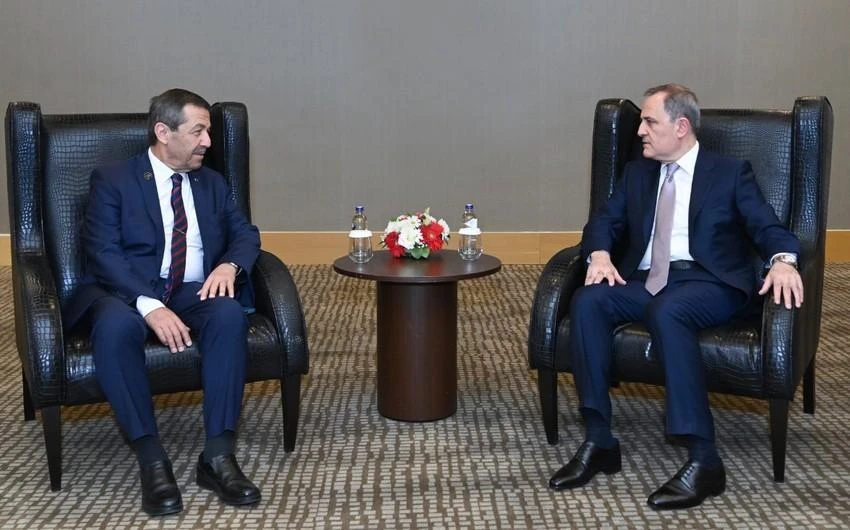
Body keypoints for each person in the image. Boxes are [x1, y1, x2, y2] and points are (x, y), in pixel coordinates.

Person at [547, 84, 803, 510]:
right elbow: (602, 223)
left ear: (681, 126)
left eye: (650, 122)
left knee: (670, 310)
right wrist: (599, 254)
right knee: (589, 301)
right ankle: (599, 440)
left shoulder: (729, 173)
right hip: (648, 281)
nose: (640, 131)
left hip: (710, 283)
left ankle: (705, 459)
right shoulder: (638, 174)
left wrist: (783, 261)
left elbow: (767, 227)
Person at [63, 88, 262, 516]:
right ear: (163, 132)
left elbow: (245, 234)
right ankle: (152, 459)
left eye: (208, 131)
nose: (208, 141)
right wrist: (149, 303)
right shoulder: (114, 179)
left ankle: (218, 456)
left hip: (189, 288)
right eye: (198, 131)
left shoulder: (211, 182)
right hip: (123, 290)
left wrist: (229, 267)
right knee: (116, 327)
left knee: (227, 313)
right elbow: (103, 252)